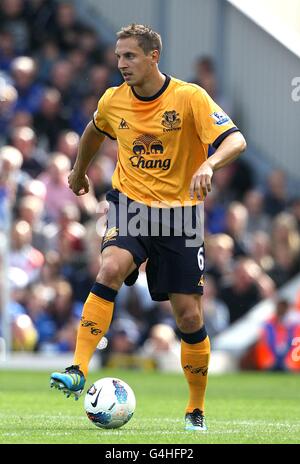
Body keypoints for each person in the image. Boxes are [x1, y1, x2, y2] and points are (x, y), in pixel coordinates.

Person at [50, 24, 246, 431]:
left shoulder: (189, 97)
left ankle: (195, 409)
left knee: (189, 317)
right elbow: (94, 130)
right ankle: (77, 367)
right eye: (119, 56)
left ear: (153, 56)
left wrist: (209, 163)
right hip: (131, 206)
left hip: (180, 215)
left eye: (130, 56)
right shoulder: (113, 101)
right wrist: (78, 169)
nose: (121, 63)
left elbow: (235, 140)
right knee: (109, 267)